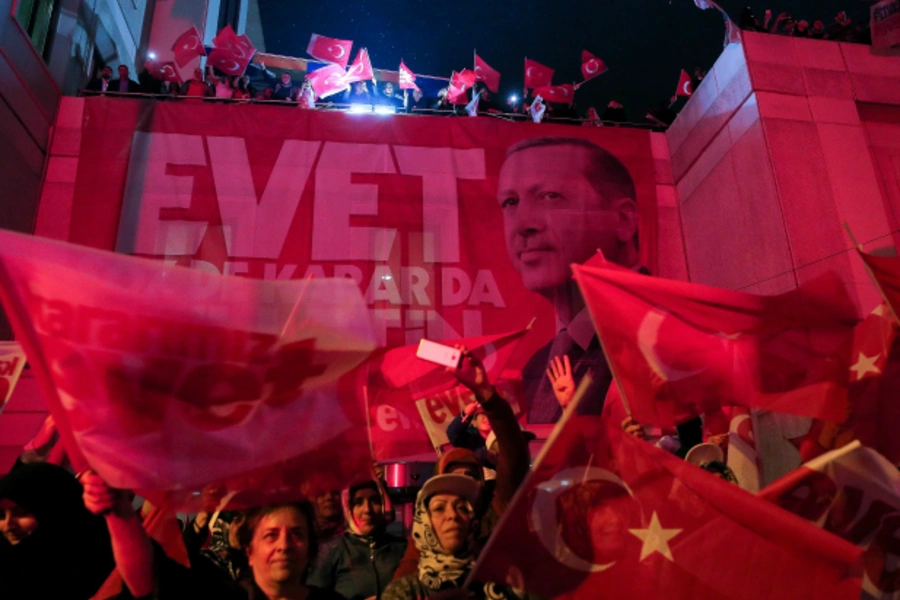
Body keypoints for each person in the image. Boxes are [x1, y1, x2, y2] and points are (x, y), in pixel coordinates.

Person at [497, 137, 644, 424]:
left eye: (550, 196)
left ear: (623, 219)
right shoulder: (538, 367)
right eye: (510, 202)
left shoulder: (659, 340)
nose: (524, 224)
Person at [81, 469, 343, 599]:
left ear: (310, 547)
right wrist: (118, 510)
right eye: (270, 535)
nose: (284, 545)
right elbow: (148, 573)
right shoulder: (217, 595)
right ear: (249, 551)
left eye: (297, 534)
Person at [392, 347, 530, 581]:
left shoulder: (494, 512)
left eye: (470, 477)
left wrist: (484, 391)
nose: (453, 515)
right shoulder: (423, 537)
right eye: (440, 507)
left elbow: (514, 455)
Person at [382, 474, 526, 600]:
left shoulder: (496, 584)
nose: (453, 515)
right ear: (424, 522)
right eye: (439, 508)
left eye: (462, 508)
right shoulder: (404, 591)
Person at [0, 463, 115, 599]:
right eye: (0, 515)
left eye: (22, 513)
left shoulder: (98, 563)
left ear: (54, 511)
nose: (7, 526)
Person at [309, 480, 406, 600]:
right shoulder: (332, 550)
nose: (367, 510)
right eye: (358, 502)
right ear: (348, 508)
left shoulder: (402, 549)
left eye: (374, 501)